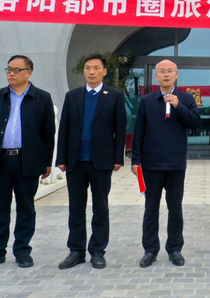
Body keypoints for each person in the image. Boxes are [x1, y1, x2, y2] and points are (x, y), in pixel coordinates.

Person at [0, 55, 55, 270]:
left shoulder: (42, 98)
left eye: (17, 70)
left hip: (27, 161)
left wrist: (47, 162)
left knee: (25, 207)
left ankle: (22, 250)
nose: (11, 73)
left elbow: (48, 133)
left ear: (29, 73)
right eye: (9, 69)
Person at [56, 53, 127, 269]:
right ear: (84, 71)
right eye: (88, 68)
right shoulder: (73, 96)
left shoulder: (114, 95)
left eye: (96, 68)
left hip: (102, 162)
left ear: (104, 71)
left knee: (100, 207)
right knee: (76, 208)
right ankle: (76, 251)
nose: (92, 72)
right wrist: (61, 158)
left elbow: (120, 128)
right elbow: (64, 128)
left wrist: (118, 158)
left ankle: (97, 250)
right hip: (75, 162)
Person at [131, 59, 200, 268]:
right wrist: (136, 160)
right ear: (157, 76)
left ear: (176, 75)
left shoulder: (187, 98)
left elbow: (196, 124)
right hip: (151, 164)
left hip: (176, 164)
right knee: (150, 208)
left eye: (170, 71)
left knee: (175, 208)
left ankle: (175, 248)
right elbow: (139, 132)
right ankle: (150, 250)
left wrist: (178, 106)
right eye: (162, 72)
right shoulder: (147, 101)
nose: (166, 75)